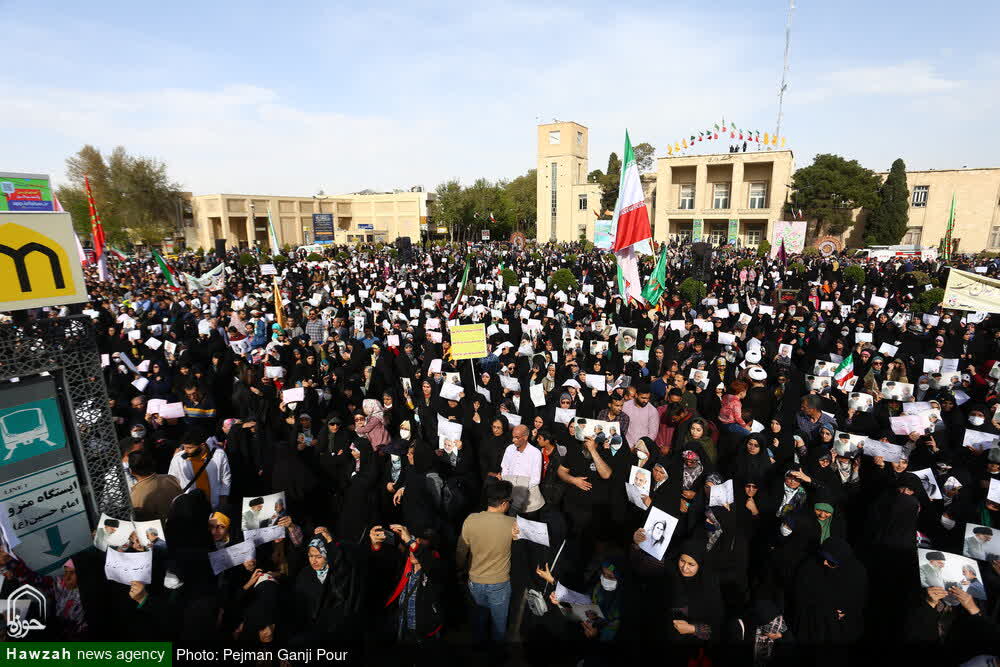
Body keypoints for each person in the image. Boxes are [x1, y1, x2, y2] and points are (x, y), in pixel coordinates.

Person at [456, 479, 518, 644]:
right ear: (504, 503)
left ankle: (479, 649)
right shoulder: (512, 524)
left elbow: (461, 551)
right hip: (500, 582)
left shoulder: (471, 519)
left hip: (475, 580)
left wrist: (460, 569)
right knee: (499, 624)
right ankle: (497, 655)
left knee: (478, 619)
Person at [167, 431, 231, 510]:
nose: (185, 450)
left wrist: (222, 503)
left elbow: (225, 478)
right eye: (184, 447)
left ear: (202, 445)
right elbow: (172, 482)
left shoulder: (219, 455)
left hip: (213, 505)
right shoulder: (178, 458)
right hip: (188, 507)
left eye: (190, 448)